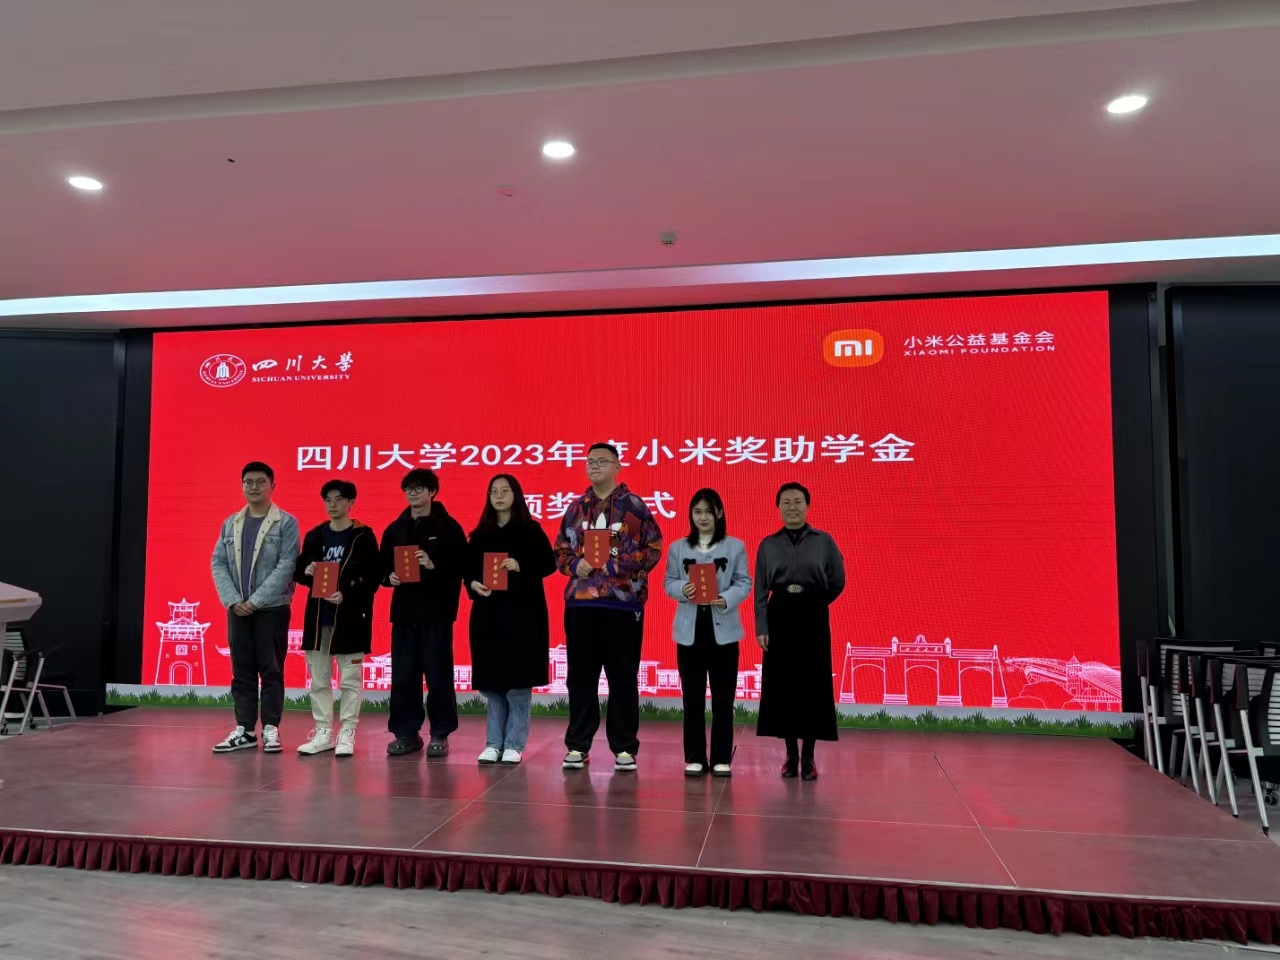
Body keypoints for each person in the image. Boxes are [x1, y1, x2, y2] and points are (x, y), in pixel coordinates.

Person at [553, 443, 663, 772]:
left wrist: (617, 564)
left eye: (602, 461)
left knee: (623, 678)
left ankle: (624, 747)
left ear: (617, 466)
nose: (595, 466)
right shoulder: (576, 508)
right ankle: (578, 745)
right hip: (582, 603)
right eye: (590, 461)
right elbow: (560, 551)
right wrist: (576, 565)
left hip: (622, 605)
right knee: (580, 678)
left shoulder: (634, 506)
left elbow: (654, 549)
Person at [754, 482, 845, 780]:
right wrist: (762, 626)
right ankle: (790, 754)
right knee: (784, 686)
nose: (792, 507)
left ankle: (809, 757)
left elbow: (838, 579)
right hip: (779, 614)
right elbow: (760, 590)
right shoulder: (768, 544)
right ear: (778, 507)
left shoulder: (824, 541)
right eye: (786, 502)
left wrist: (816, 601)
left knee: (812, 686)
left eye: (797, 502)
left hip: (812, 615)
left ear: (807, 505)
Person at [210, 461, 301, 754]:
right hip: (237, 609)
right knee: (242, 670)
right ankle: (245, 730)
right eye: (248, 482)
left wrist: (256, 601)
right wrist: (233, 600)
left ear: (272, 486)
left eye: (260, 482)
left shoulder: (286, 523)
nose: (254, 487)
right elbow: (218, 562)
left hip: (272, 608)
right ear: (241, 486)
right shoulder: (230, 523)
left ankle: (271, 729)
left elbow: (287, 565)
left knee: (272, 670)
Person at [466, 474, 557, 765]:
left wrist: (520, 565)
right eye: (493, 491)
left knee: (518, 685)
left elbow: (549, 563)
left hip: (523, 615)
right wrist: (473, 584)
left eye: (505, 491)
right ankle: (493, 743)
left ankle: (514, 743)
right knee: (492, 685)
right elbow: (468, 570)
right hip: (488, 614)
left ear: (516, 495)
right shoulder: (480, 534)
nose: (498, 496)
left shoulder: (531, 530)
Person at [663, 489, 752, 777]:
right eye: (697, 512)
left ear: (719, 513)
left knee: (724, 699)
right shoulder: (678, 548)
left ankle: (722, 757)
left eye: (708, 512)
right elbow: (669, 582)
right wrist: (682, 589)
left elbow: (744, 582)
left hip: (723, 631)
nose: (702, 517)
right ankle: (695, 757)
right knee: (692, 698)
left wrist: (726, 598)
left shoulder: (735, 547)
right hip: (689, 631)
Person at [380, 468, 467, 758]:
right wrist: (388, 578)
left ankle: (440, 733)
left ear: (432, 492)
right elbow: (381, 567)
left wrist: (432, 565)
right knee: (403, 675)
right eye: (408, 489)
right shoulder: (395, 528)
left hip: (436, 612)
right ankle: (406, 733)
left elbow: (462, 567)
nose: (412, 494)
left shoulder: (449, 527)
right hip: (404, 613)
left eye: (418, 489)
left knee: (438, 673)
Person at [292, 479, 381, 758]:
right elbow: (298, 572)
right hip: (319, 619)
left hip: (350, 618)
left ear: (351, 502)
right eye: (328, 500)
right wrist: (307, 571)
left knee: (350, 681)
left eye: (338, 499)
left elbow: (373, 577)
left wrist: (348, 595)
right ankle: (323, 732)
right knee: (319, 679)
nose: (332, 505)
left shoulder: (363, 536)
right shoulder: (315, 535)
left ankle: (347, 732)